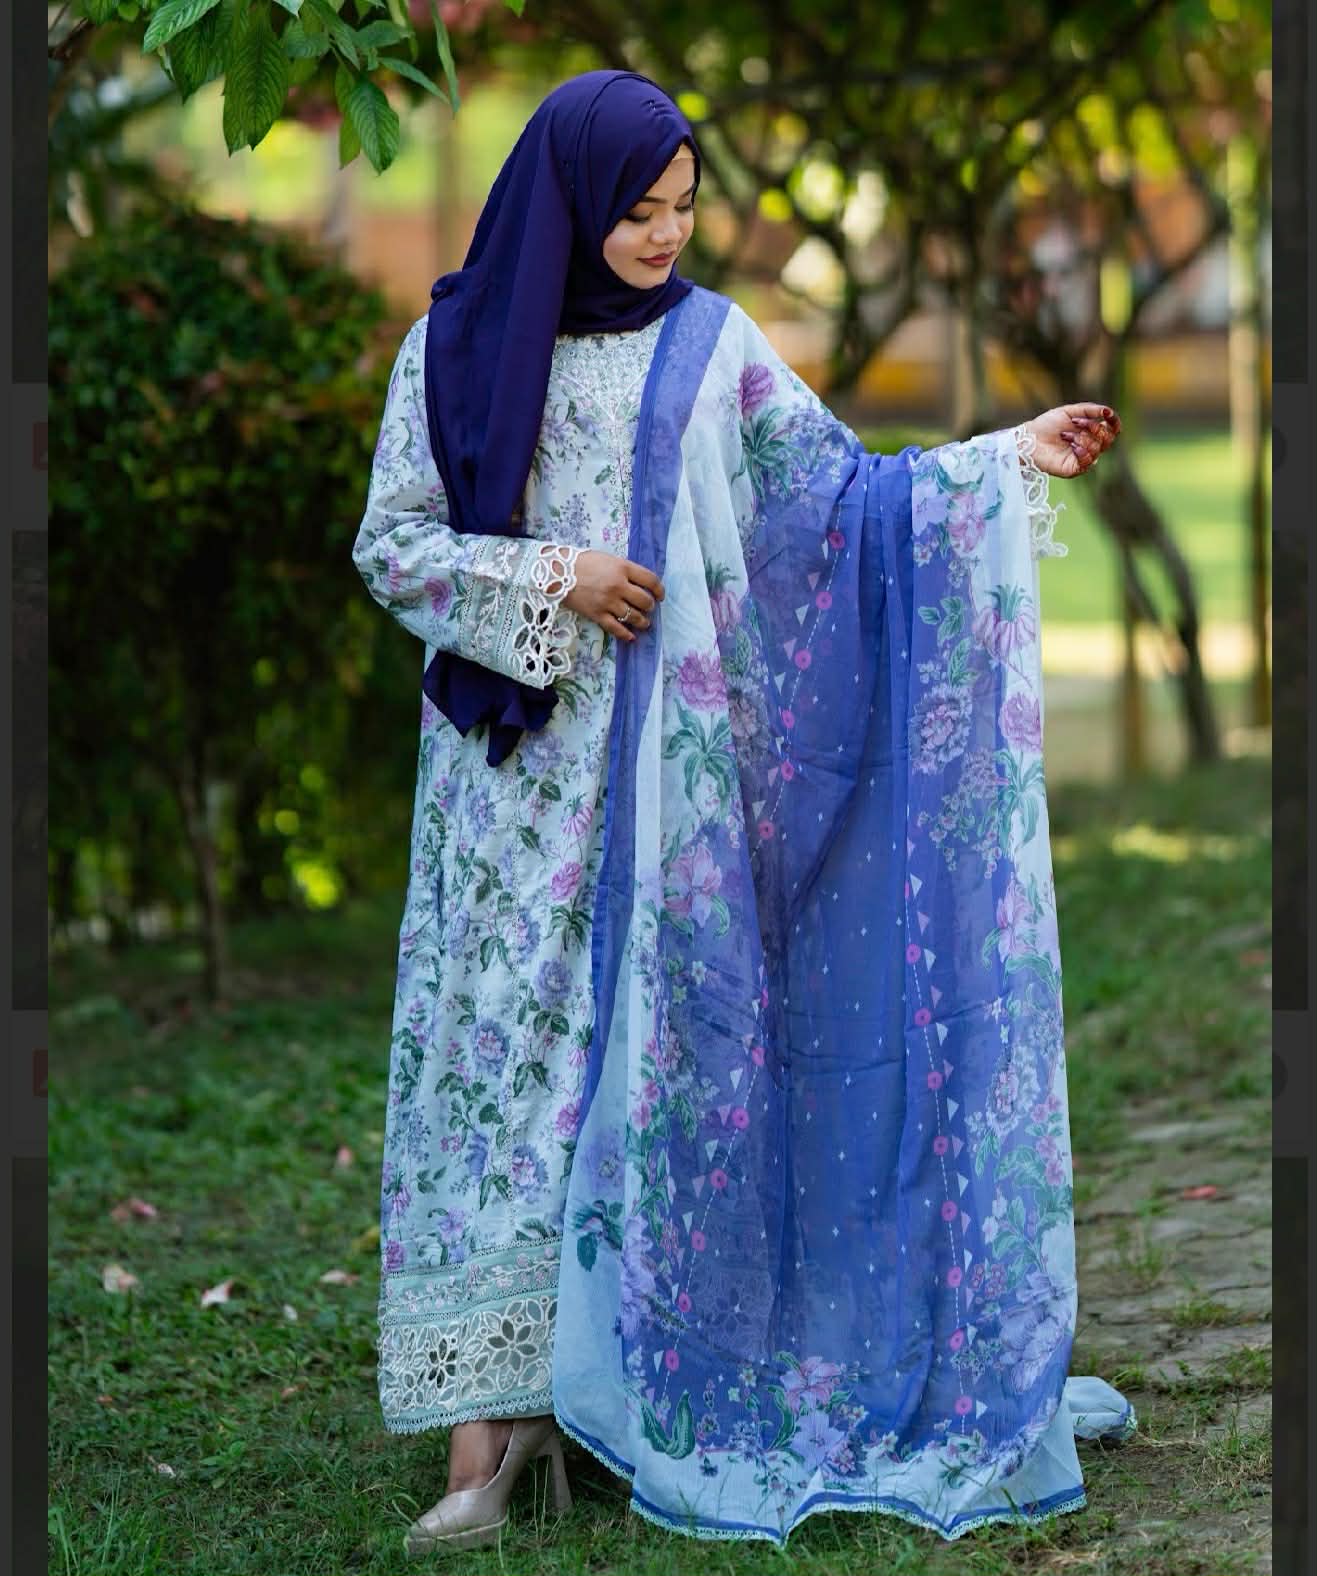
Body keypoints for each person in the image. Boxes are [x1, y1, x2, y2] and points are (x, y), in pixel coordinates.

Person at [352, 68, 1135, 1558]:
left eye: (683, 208)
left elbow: (836, 500)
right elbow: (393, 547)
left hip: (671, 800)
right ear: (569, 204)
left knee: (653, 1065)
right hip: (507, 807)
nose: (665, 236)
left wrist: (994, 464)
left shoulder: (711, 348)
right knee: (502, 1076)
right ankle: (489, 1427)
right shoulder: (448, 348)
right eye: (637, 212)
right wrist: (560, 578)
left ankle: (637, 1373)